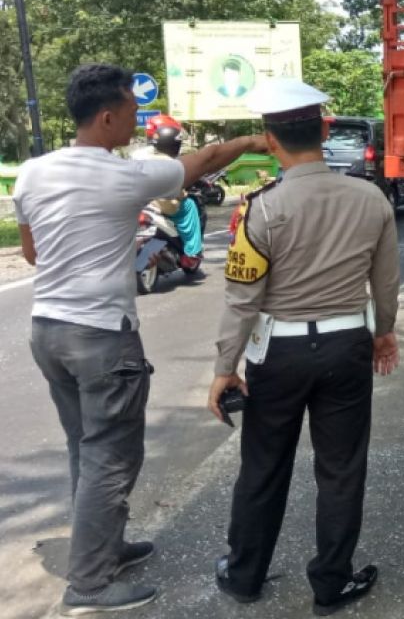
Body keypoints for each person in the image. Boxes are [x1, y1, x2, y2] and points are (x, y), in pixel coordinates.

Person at [13, 64, 266, 615]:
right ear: (106, 117)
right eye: (131, 110)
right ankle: (90, 583)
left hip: (48, 331)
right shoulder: (123, 176)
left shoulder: (32, 173)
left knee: (86, 447)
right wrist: (250, 139)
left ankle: (106, 545)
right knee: (111, 458)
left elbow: (33, 255)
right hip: (101, 338)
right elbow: (201, 163)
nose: (138, 117)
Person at [209, 78, 401, 616]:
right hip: (347, 347)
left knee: (263, 466)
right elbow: (385, 283)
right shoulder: (369, 198)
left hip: (279, 356)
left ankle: (244, 575)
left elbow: (242, 298)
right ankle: (330, 582)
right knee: (341, 469)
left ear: (270, 139)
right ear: (323, 128)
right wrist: (384, 332)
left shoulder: (260, 209)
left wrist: (225, 367)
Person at [134, 116, 204, 267]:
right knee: (190, 205)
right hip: (163, 206)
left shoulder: (138, 154)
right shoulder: (172, 163)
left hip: (139, 201)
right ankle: (192, 253)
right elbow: (179, 191)